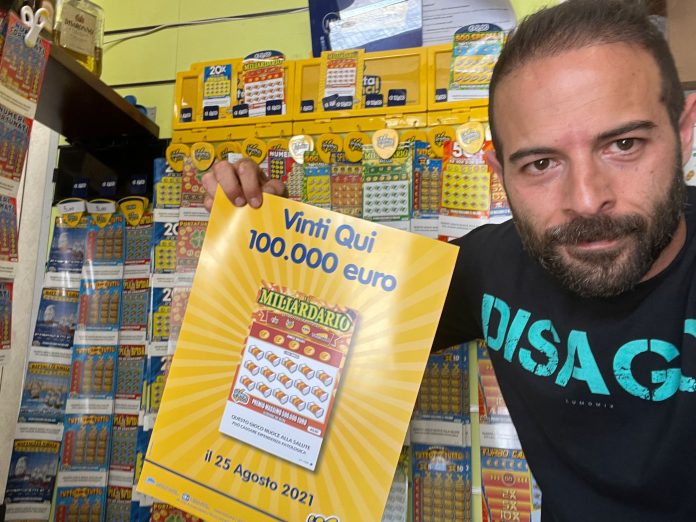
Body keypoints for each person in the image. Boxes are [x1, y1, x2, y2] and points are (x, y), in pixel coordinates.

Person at [202, 0, 696, 519]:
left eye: (624, 144)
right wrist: (259, 229)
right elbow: (317, 318)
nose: (587, 198)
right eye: (541, 164)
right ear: (500, 174)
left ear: (684, 133)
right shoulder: (491, 267)